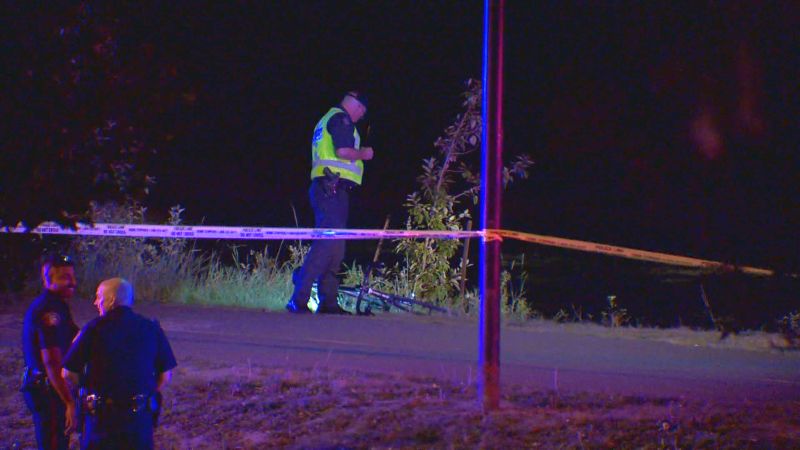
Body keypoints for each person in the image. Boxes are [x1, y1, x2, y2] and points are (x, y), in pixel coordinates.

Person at [286, 91, 374, 314]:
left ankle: (328, 302)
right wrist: (364, 153)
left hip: (332, 189)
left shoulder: (327, 118)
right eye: (362, 111)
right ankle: (299, 298)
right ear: (357, 106)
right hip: (330, 188)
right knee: (326, 244)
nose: (361, 116)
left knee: (336, 248)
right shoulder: (341, 119)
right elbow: (343, 151)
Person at [62, 278, 177, 450]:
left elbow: (68, 373)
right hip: (139, 421)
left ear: (111, 300)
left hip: (103, 420)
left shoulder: (93, 329)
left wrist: (87, 389)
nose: (95, 302)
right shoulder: (151, 328)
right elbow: (165, 376)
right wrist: (144, 393)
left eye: (98, 297)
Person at [21, 254, 80, 450]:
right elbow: (51, 362)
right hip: (49, 390)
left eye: (73, 276)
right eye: (65, 277)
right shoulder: (48, 310)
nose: (73, 282)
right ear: (48, 279)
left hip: (51, 387)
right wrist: (69, 402)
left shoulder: (59, 305)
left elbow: (76, 338)